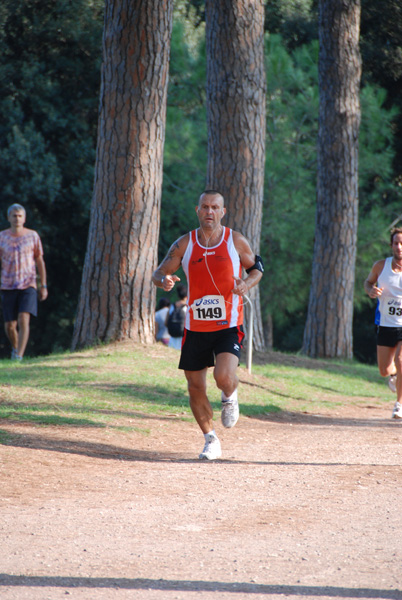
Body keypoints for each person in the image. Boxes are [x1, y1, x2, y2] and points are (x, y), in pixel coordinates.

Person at [152, 190, 264, 459]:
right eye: (205, 207)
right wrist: (163, 281)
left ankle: (230, 395)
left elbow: (257, 267)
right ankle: (210, 439)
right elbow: (159, 272)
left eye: (215, 207)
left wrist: (246, 285)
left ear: (222, 212)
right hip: (195, 326)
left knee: (223, 377)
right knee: (194, 385)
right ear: (197, 210)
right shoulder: (184, 244)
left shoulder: (234, 240)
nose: (209, 212)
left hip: (228, 323)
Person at [0, 204, 48, 360]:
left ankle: (19, 357)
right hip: (7, 284)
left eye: (20, 216)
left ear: (25, 218)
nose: (17, 219)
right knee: (10, 325)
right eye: (14, 216)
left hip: (28, 283)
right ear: (8, 218)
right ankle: (15, 348)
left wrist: (43, 285)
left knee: (23, 318)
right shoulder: (2, 237)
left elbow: (39, 260)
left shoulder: (32, 236)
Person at [364, 226, 402, 419]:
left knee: (401, 360)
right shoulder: (381, 266)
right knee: (384, 370)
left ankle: (399, 404)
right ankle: (395, 376)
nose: (400, 247)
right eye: (396, 243)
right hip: (386, 323)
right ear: (391, 245)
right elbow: (368, 282)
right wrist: (371, 291)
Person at [166, 284, 187, 350]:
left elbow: (166, 322)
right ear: (187, 295)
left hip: (172, 338)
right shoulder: (188, 307)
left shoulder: (172, 306)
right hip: (184, 338)